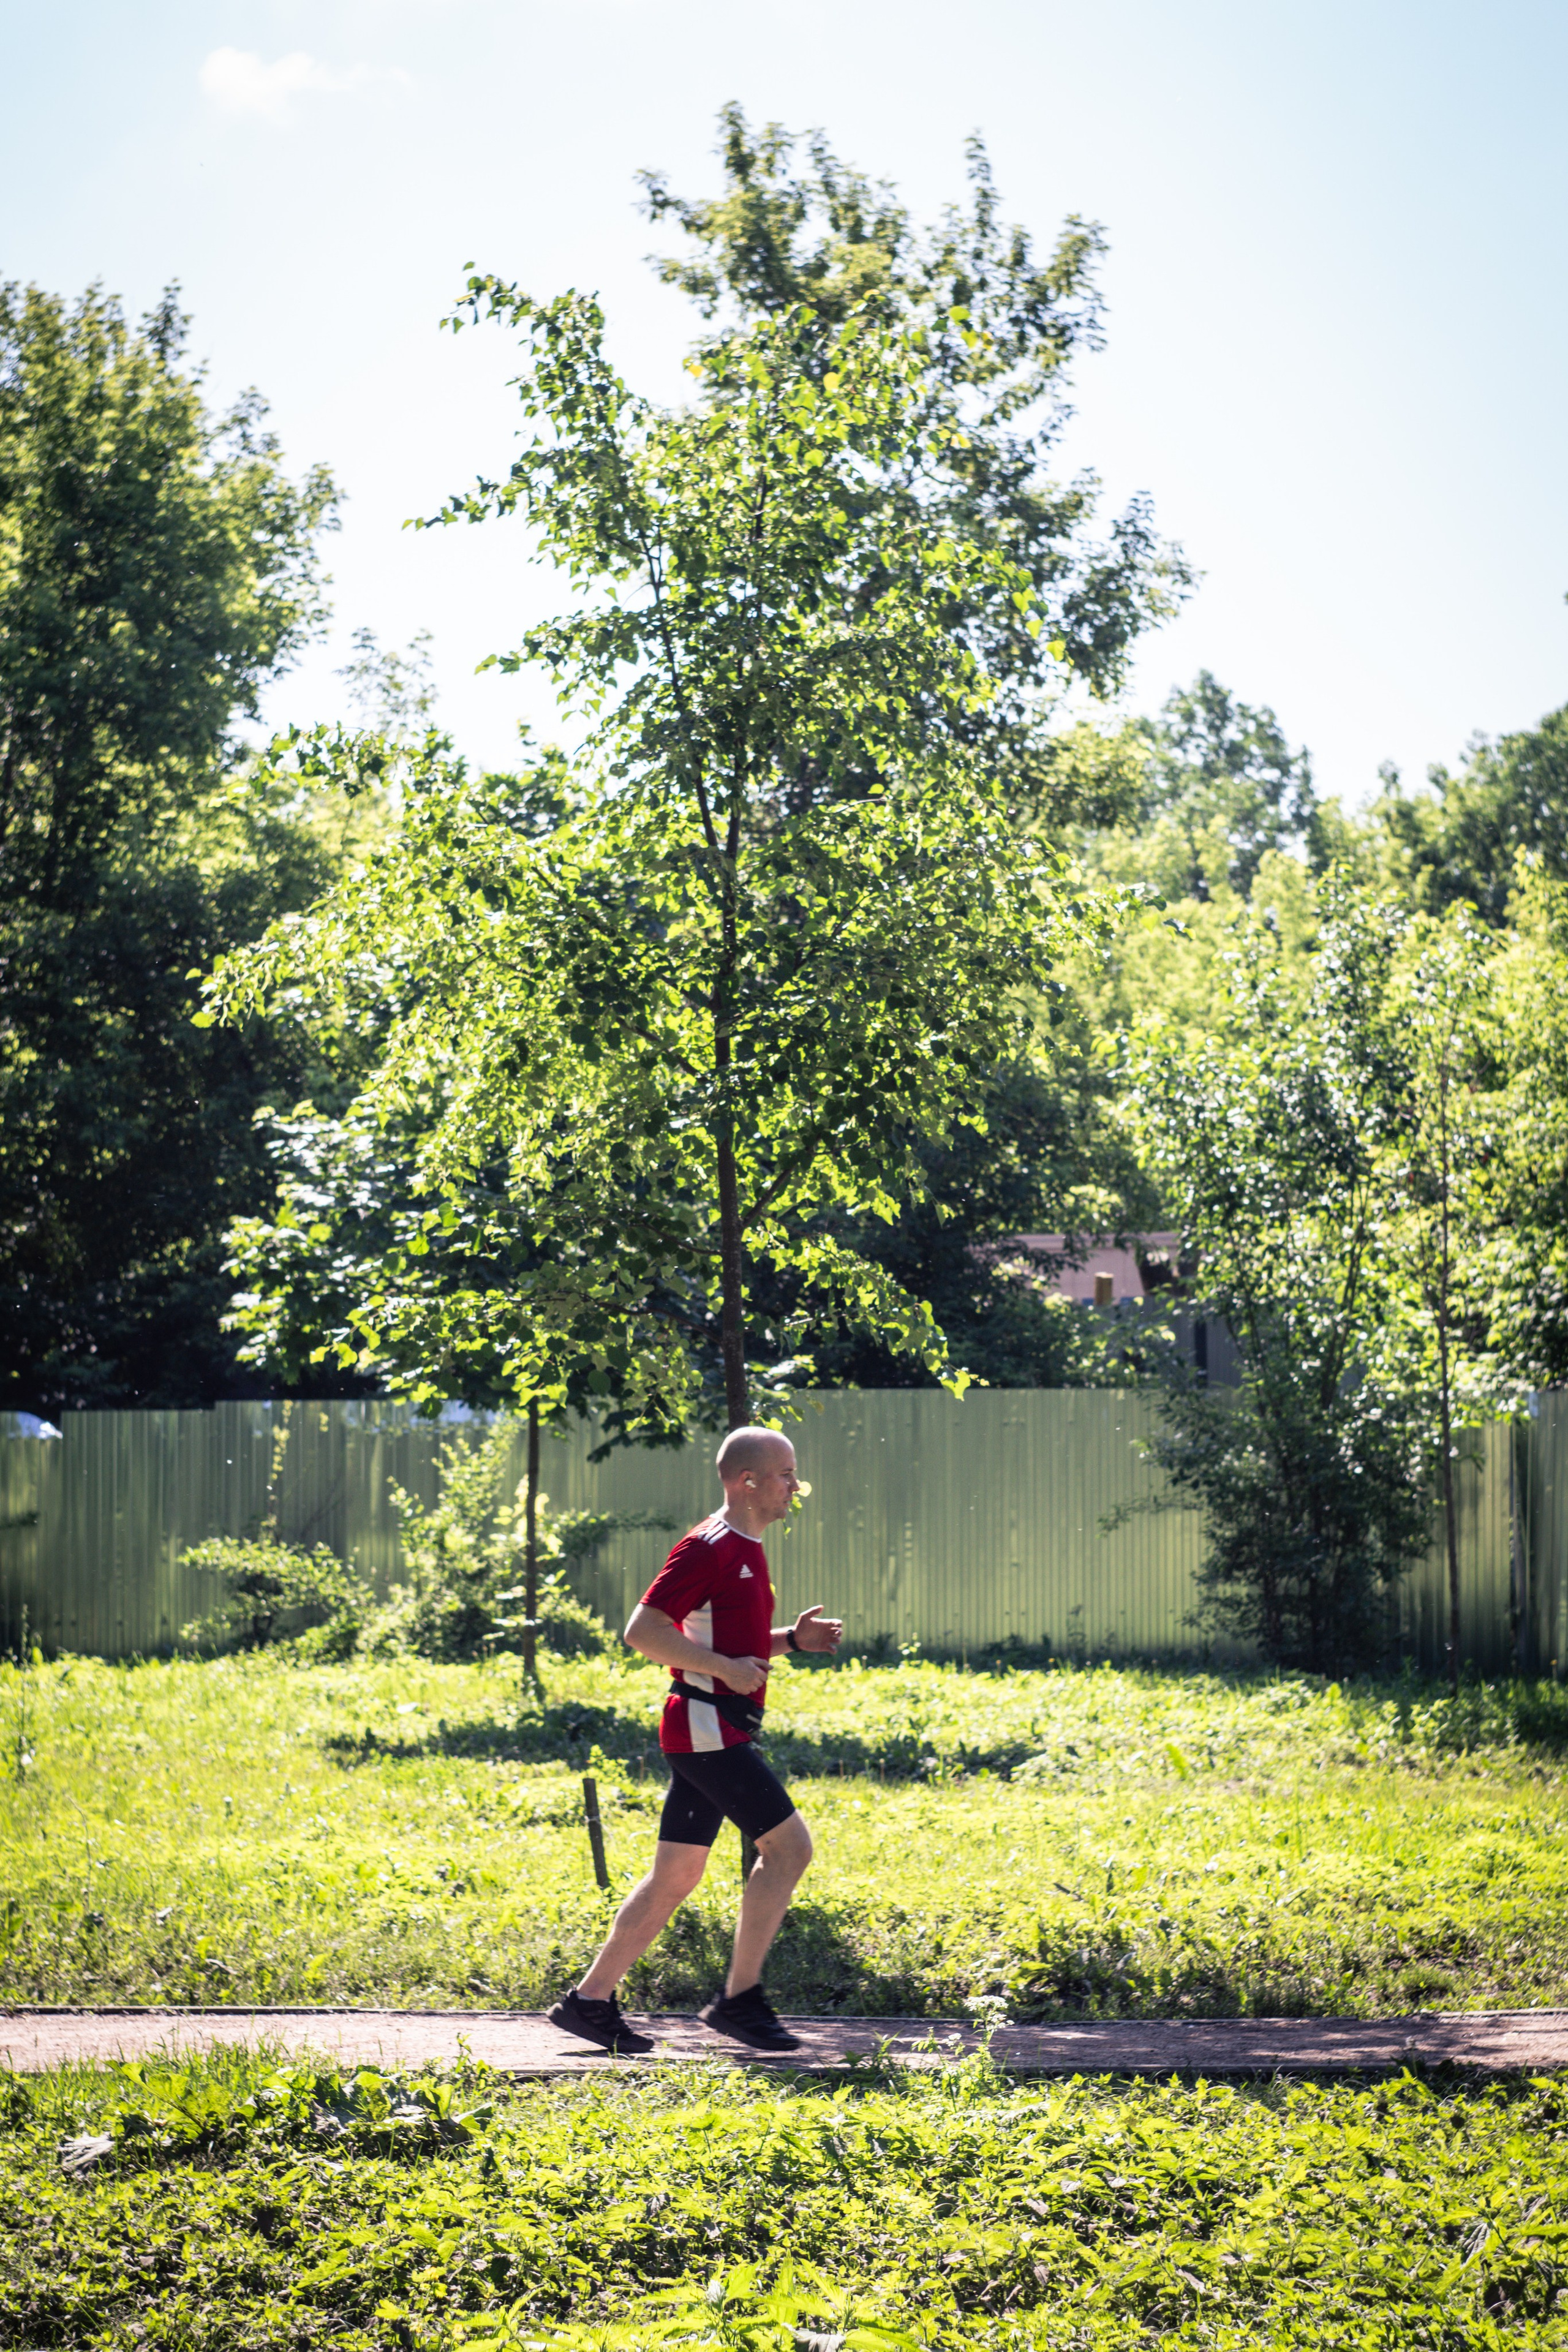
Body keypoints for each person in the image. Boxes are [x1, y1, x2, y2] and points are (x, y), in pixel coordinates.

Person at [548, 1425, 842, 2055]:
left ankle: (588, 2002)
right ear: (748, 1481)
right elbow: (642, 1630)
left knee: (675, 1875)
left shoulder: (748, 1547)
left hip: (710, 1726)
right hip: (709, 1725)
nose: (797, 1485)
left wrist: (791, 1640)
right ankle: (739, 2000)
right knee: (789, 1850)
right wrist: (725, 1672)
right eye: (786, 1474)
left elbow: (725, 1646)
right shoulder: (707, 1547)